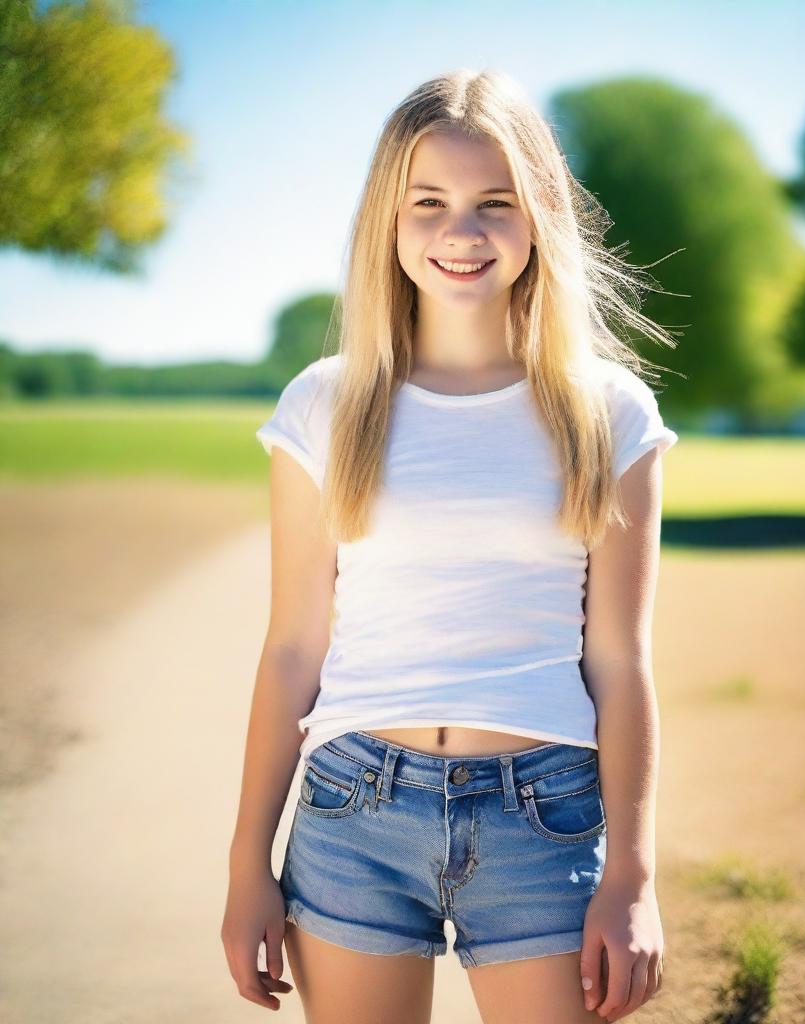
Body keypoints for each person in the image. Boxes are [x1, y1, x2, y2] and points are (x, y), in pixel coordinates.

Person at [222, 68, 681, 1024]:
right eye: (428, 203)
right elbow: (293, 648)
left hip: (544, 817)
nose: (461, 233)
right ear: (388, 220)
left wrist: (633, 878)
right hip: (354, 813)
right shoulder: (326, 404)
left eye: (494, 205)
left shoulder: (607, 411)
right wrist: (246, 868)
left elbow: (621, 660)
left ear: (540, 218)